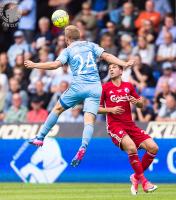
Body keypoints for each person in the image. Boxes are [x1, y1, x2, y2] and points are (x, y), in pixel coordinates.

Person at [24, 25, 134, 167]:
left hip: (78, 86)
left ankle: (40, 137)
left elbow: (55, 65)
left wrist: (34, 65)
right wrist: (123, 63)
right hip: (95, 87)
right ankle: (83, 146)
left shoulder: (68, 50)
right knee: (89, 121)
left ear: (67, 39)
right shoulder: (91, 45)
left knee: (57, 109)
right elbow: (107, 56)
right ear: (79, 36)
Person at [99, 64, 158, 194]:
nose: (111, 70)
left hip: (130, 125)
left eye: (114, 67)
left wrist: (137, 102)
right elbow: (95, 108)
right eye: (110, 68)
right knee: (131, 147)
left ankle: (135, 176)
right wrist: (111, 109)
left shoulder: (129, 86)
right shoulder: (105, 87)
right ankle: (144, 181)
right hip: (115, 126)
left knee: (153, 147)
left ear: (121, 71)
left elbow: (141, 104)